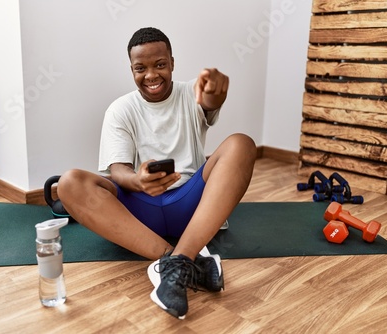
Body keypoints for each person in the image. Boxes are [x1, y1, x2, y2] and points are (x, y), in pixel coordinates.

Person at [57, 27, 257, 319]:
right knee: (69, 182)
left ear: (172, 63)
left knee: (242, 143)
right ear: (132, 70)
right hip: (141, 211)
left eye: (160, 65)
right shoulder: (120, 109)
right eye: (141, 68)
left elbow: (209, 102)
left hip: (193, 205)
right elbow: (118, 171)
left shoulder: (192, 92)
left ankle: (180, 259)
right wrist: (137, 181)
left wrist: (215, 94)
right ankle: (177, 260)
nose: (151, 75)